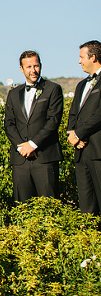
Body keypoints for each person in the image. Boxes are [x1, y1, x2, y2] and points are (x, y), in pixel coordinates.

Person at [3, 50, 64, 203]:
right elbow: (9, 124)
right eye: (29, 67)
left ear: (40, 66)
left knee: (49, 205)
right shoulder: (13, 94)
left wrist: (33, 144)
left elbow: (53, 121)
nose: (33, 70)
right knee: (22, 206)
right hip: (20, 159)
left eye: (36, 66)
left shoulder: (53, 89)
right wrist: (22, 147)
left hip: (45, 157)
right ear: (21, 69)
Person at [68, 40, 101, 215]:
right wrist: (71, 134)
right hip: (81, 153)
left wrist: (79, 133)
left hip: (98, 151)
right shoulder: (81, 85)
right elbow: (73, 113)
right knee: (86, 207)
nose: (79, 61)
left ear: (93, 57)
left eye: (81, 57)